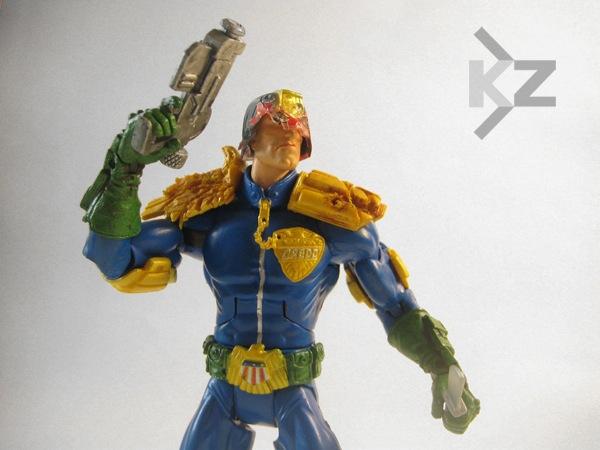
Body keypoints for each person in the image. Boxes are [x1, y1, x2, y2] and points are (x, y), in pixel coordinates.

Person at [81, 89, 480, 450]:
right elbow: (115, 261)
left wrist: (441, 364)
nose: (290, 132)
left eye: (297, 126)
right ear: (249, 142)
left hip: (293, 387)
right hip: (225, 385)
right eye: (275, 123)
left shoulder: (336, 221)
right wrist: (124, 173)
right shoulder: (208, 213)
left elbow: (394, 304)